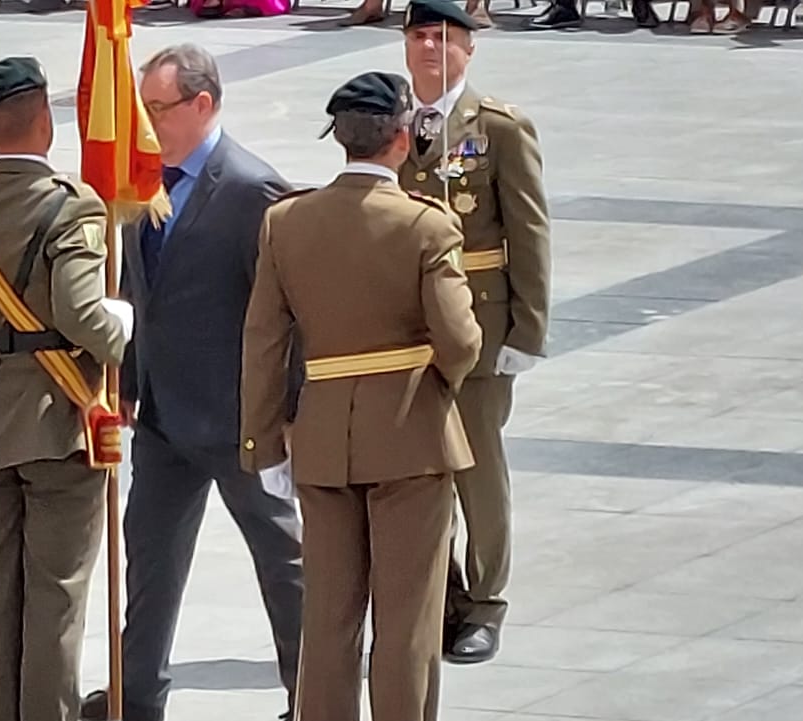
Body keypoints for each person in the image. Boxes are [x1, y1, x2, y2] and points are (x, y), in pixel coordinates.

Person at [240, 70, 482, 721]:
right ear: (402, 139)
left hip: (321, 439)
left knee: (327, 620)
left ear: (340, 140)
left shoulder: (285, 222)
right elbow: (460, 340)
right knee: (406, 623)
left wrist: (263, 442)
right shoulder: (425, 227)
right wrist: (438, 383)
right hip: (411, 437)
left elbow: (264, 340)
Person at [79, 42, 303, 721]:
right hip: (162, 415)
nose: (146, 123)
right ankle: (137, 693)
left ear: (203, 104)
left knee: (284, 561)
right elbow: (137, 287)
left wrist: (284, 410)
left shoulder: (250, 189)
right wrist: (123, 376)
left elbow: (286, 311)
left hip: (239, 419)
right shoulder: (146, 182)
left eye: (158, 109)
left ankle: (313, 695)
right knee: (149, 557)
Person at [0, 56, 134, 721]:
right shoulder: (71, 203)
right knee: (55, 594)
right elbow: (80, 312)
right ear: (45, 118)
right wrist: (122, 331)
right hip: (55, 417)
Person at [398, 0, 551, 666]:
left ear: (468, 48)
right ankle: (446, 597)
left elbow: (529, 230)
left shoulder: (496, 128)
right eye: (420, 37)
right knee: (418, 471)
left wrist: (528, 328)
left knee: (478, 471)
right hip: (410, 328)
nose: (430, 49)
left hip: (482, 325)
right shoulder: (396, 125)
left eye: (443, 38)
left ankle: (486, 602)